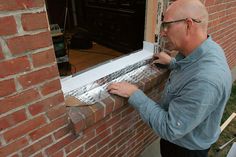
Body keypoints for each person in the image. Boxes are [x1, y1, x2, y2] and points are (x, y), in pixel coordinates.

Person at [107, 0, 232, 156]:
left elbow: (170, 128)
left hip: (185, 149)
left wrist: (134, 94)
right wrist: (173, 63)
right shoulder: (207, 49)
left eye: (167, 25)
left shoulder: (205, 80)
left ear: (188, 25)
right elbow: (193, 68)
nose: (163, 32)